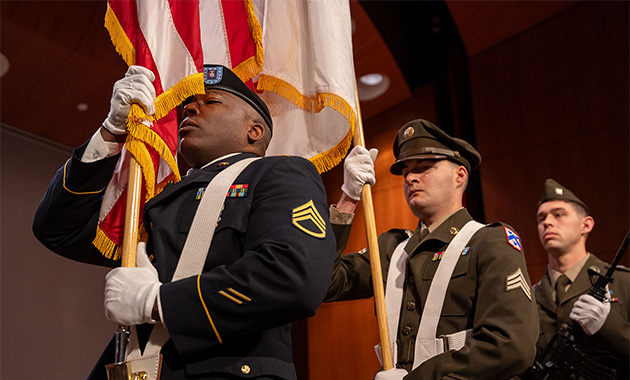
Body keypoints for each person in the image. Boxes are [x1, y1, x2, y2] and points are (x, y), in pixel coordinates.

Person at [32, 64, 336, 380]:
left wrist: (157, 301)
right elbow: (58, 229)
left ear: (254, 130)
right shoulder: (159, 199)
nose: (188, 107)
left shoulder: (277, 175)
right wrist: (111, 132)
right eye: (189, 103)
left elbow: (292, 276)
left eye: (212, 101)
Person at [325, 119, 539, 380]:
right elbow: (326, 283)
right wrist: (348, 198)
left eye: (424, 167)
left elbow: (511, 345)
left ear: (460, 175)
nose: (411, 178)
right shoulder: (393, 249)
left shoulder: (488, 242)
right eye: (406, 173)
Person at [531, 178, 629, 379]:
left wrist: (607, 326)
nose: (547, 222)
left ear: (586, 224)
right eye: (541, 218)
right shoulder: (530, 296)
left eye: (558, 215)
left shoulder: (623, 283)